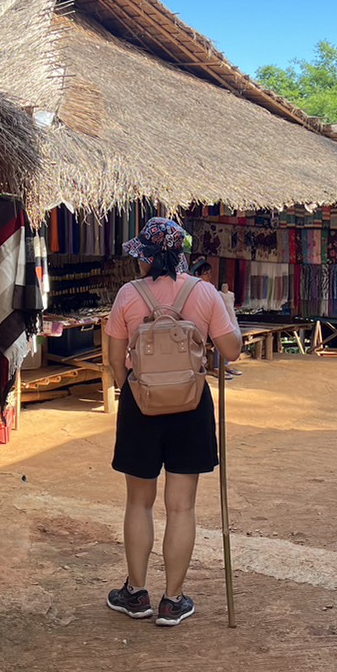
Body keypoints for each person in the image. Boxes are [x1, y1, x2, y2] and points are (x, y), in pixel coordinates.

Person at [104, 217, 242, 626]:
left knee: (138, 502)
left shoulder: (128, 294)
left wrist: (131, 392)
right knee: (181, 507)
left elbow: (115, 359)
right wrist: (228, 310)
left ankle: (135, 593)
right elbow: (231, 350)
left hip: (141, 404)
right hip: (190, 404)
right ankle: (173, 600)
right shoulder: (205, 293)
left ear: (146, 257)